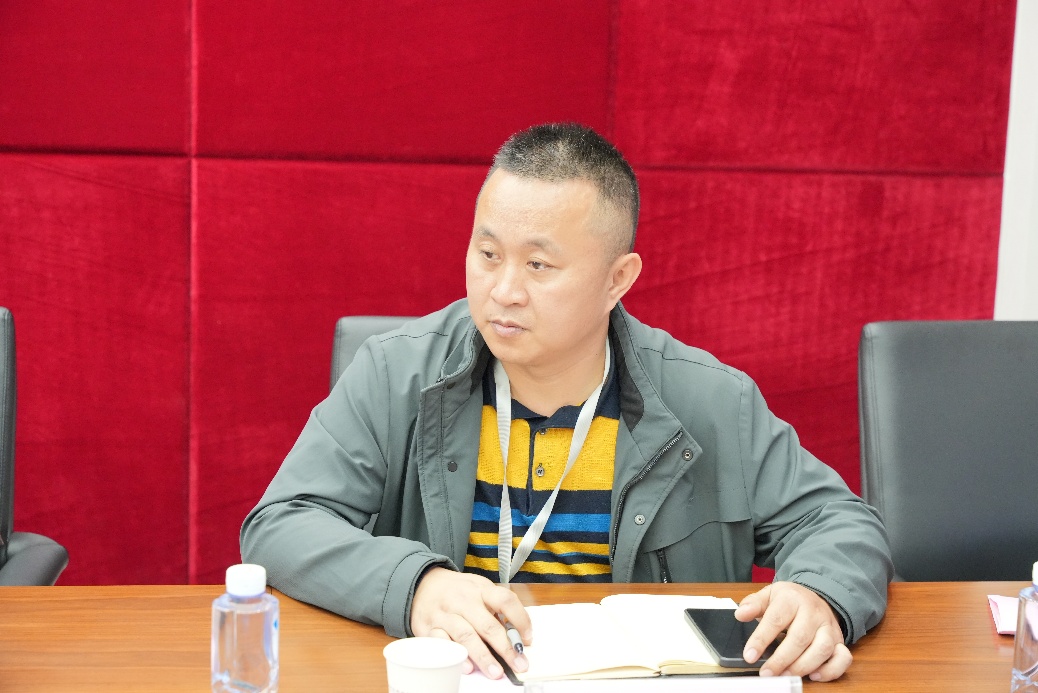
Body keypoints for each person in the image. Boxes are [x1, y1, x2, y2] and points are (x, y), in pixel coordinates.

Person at [241, 123, 892, 683]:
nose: (503, 290)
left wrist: (819, 595)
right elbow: (280, 524)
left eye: (539, 266)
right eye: (487, 254)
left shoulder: (708, 398)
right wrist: (417, 586)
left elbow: (839, 523)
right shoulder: (396, 373)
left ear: (617, 279)